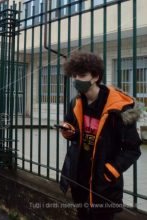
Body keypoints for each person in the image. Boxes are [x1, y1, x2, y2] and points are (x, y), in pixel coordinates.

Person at [59, 52, 142, 219]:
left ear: (96, 76)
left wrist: (111, 170)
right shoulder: (75, 103)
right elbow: (74, 133)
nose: (77, 80)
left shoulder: (119, 109)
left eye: (82, 75)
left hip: (103, 182)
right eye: (74, 75)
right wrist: (69, 132)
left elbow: (133, 149)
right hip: (78, 177)